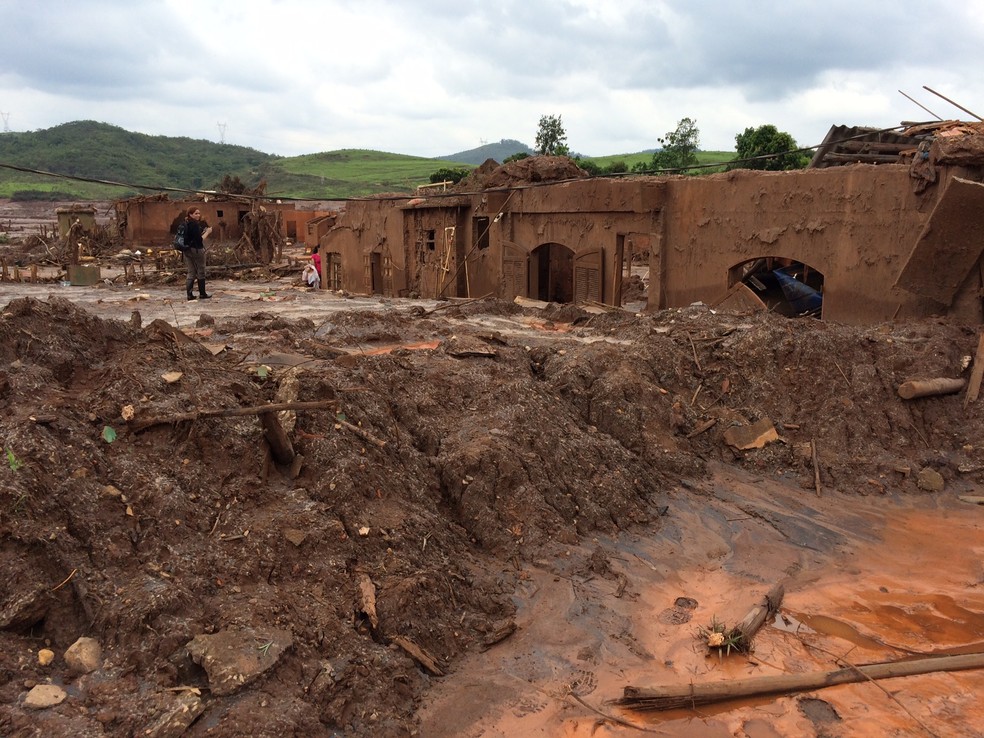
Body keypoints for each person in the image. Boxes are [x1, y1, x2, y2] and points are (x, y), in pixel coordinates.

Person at [182, 207, 212, 300]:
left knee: (191, 272)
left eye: (199, 213)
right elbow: (199, 240)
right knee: (201, 271)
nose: (198, 215)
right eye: (196, 213)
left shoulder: (185, 223)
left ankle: (189, 295)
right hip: (196, 250)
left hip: (187, 250)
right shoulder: (194, 225)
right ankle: (202, 294)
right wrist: (207, 232)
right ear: (190, 214)